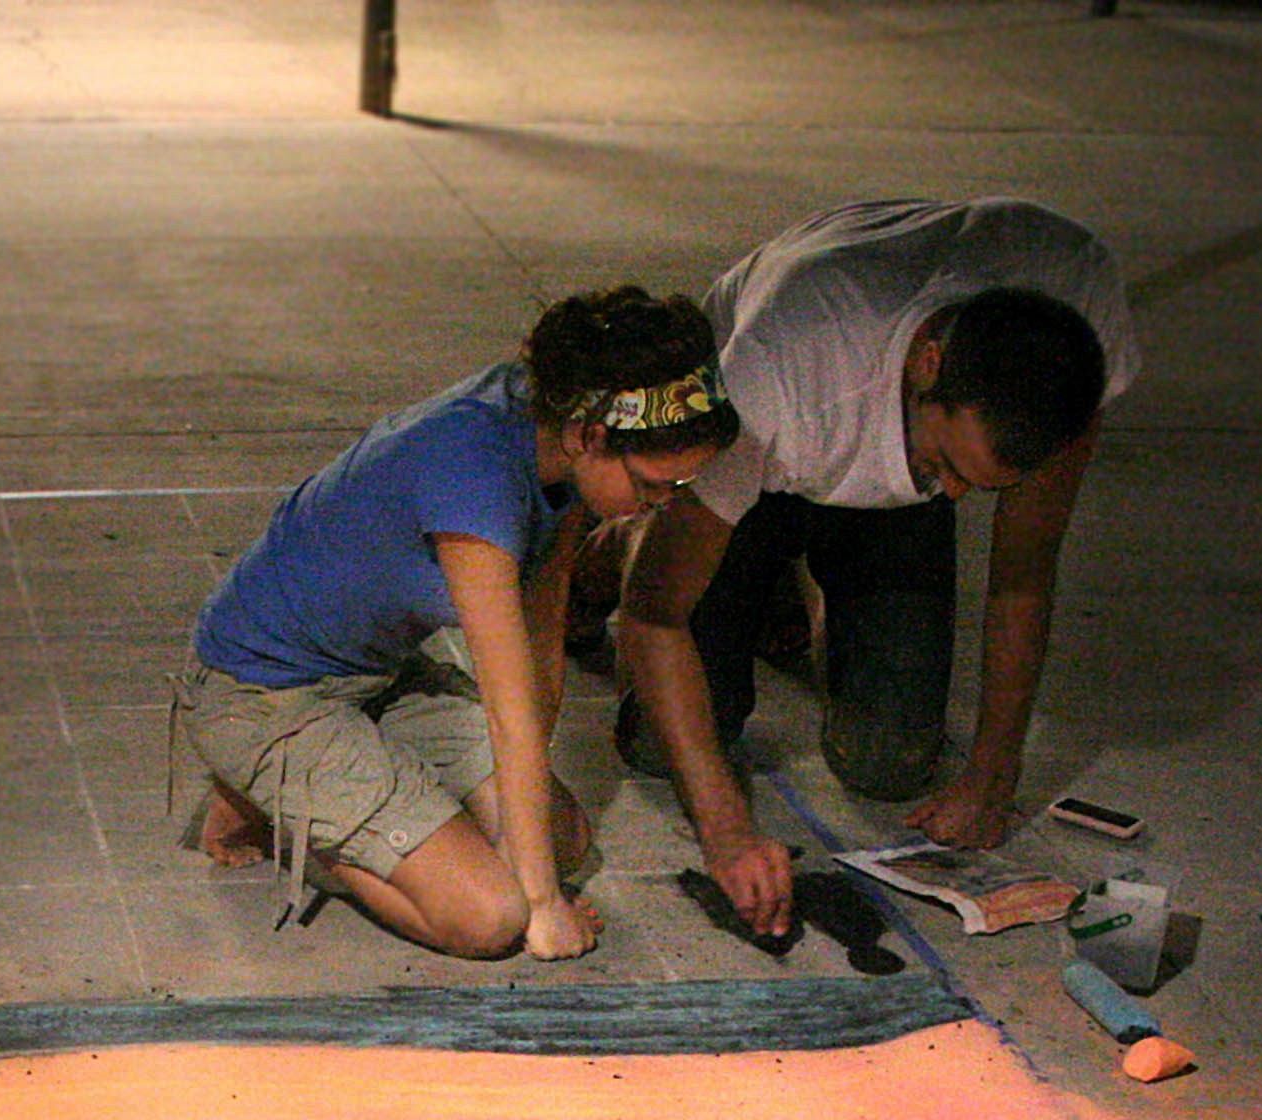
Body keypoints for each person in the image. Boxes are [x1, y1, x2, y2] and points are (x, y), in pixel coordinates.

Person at [612, 198, 1140, 939]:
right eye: (948, 465)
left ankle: (794, 586)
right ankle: (616, 543)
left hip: (861, 441)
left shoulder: (1073, 321)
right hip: (761, 454)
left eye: (978, 486)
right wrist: (727, 831)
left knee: (889, 763)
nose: (952, 497)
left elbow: (1024, 567)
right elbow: (653, 612)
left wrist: (993, 773)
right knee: (659, 743)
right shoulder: (778, 372)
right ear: (930, 363)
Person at [181, 288, 741, 961]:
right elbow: (507, 710)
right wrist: (538, 903)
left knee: (561, 840)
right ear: (593, 437)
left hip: (374, 675)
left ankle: (315, 793)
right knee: (489, 917)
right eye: (654, 486)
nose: (661, 506)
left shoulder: (554, 425)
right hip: (260, 691)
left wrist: (528, 851)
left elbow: (539, 648)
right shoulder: (474, 474)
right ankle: (269, 798)